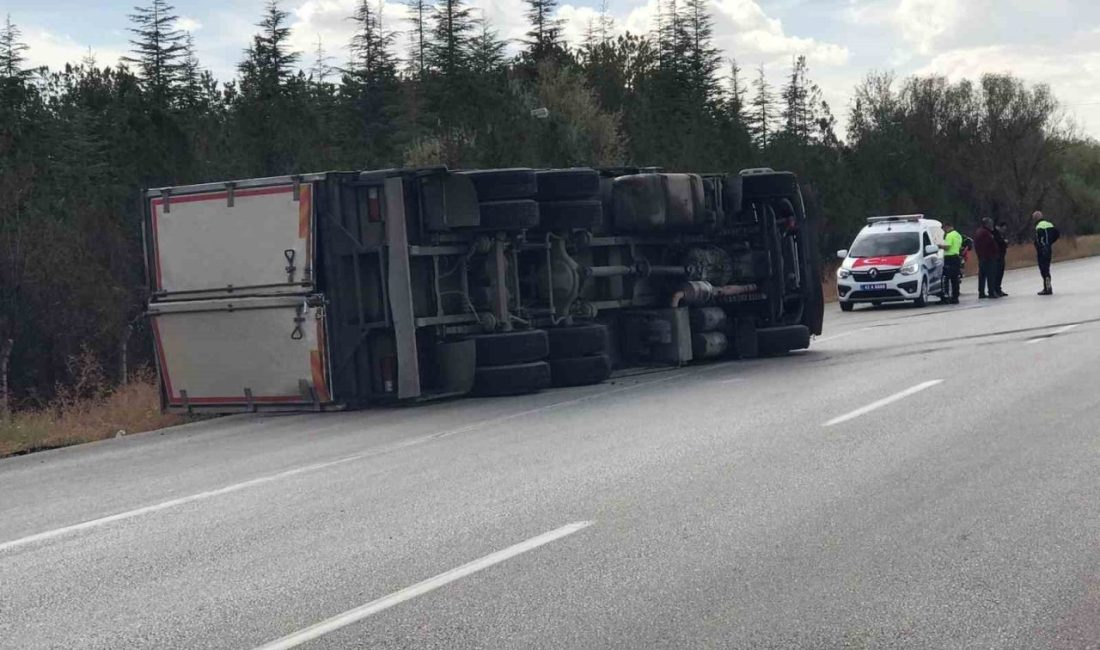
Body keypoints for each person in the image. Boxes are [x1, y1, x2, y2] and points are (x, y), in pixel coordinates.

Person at [1033, 210, 1060, 295]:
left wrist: (1038, 246)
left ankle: (1047, 288)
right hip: (1048, 248)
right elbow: (1057, 234)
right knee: (1047, 268)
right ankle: (1047, 287)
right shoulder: (1049, 224)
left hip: (1042, 250)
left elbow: (1038, 239)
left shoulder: (1038, 227)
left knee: (1043, 269)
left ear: (1036, 218)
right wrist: (1050, 242)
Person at [973, 218, 1000, 299]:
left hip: (982, 257)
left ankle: (981, 292)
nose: (991, 225)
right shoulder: (985, 233)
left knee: (982, 275)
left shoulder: (979, 231)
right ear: (987, 224)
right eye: (990, 223)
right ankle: (991, 292)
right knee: (991, 275)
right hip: (988, 257)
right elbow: (988, 245)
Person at [940, 221, 964, 304]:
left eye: (944, 229)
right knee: (955, 279)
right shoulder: (958, 235)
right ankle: (955, 297)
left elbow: (947, 247)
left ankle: (945, 297)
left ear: (947, 226)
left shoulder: (949, 235)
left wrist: (939, 246)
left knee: (945, 278)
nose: (944, 231)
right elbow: (960, 247)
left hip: (949, 258)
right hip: (956, 258)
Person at [993, 222, 1009, 297]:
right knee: (997, 273)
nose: (1004, 231)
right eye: (1003, 228)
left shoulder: (999, 234)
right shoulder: (995, 234)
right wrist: (1004, 242)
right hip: (998, 257)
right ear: (999, 227)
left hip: (1001, 256)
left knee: (1000, 273)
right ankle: (996, 289)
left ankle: (998, 288)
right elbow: (999, 243)